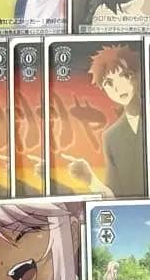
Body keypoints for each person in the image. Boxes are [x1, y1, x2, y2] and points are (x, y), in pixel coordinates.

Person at [60, 45, 143, 198]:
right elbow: (115, 197)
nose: (118, 87)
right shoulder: (112, 137)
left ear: (137, 75)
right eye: (108, 83)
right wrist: (90, 179)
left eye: (125, 75)